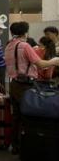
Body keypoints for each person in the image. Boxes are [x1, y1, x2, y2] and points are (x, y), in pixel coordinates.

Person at [5, 22, 59, 155]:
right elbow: (40, 64)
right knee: (28, 117)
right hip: (26, 85)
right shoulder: (24, 45)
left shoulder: (9, 46)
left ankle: (15, 145)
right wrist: (54, 61)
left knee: (16, 116)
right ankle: (28, 147)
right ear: (25, 33)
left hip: (14, 84)